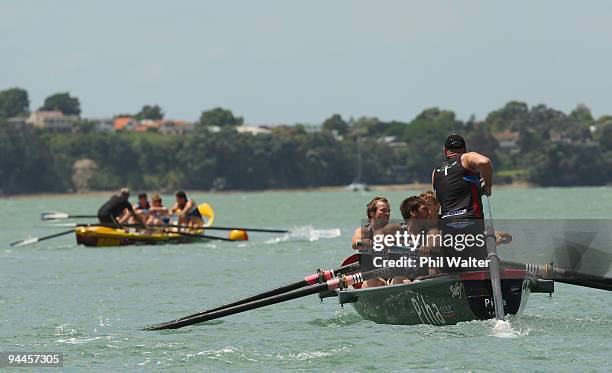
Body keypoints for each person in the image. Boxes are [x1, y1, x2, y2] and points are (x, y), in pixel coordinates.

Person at [432, 134, 492, 272]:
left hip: (447, 225)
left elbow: (438, 200)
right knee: (478, 268)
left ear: (445, 151)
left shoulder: (436, 172)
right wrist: (488, 186)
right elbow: (485, 162)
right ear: (464, 149)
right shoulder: (466, 157)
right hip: (470, 221)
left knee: (454, 268)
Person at [350, 196, 391, 288]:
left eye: (389, 211)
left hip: (391, 275)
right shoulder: (364, 231)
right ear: (372, 213)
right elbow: (355, 243)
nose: (387, 213)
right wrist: (362, 242)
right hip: (371, 278)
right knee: (372, 281)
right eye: (383, 210)